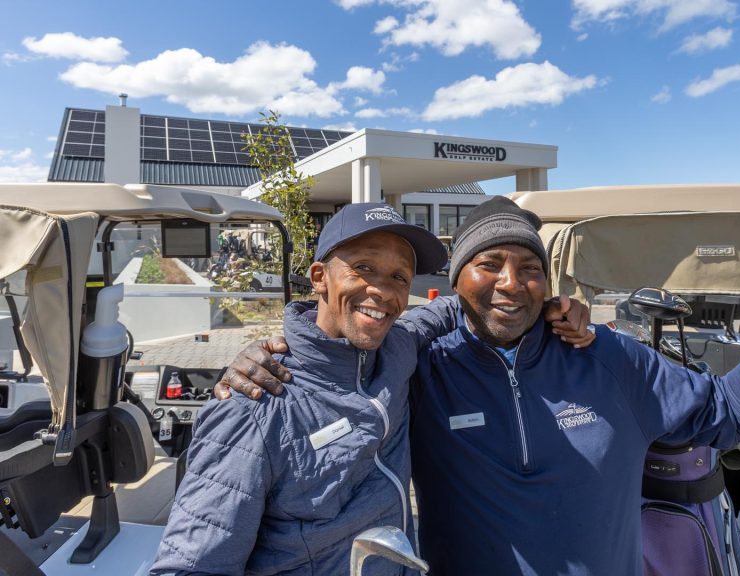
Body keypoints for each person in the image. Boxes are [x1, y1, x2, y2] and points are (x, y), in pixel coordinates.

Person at [220, 197, 740, 575]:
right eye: (488, 264)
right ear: (456, 278)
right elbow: (344, 346)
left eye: (529, 268)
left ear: (548, 284)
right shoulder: (421, 358)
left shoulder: (608, 356)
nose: (509, 281)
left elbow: (733, 414)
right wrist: (260, 357)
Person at [150, 202, 592, 576]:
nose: (382, 291)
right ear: (320, 276)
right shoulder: (256, 402)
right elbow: (188, 565)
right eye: (363, 268)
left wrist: (550, 305)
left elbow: (467, 304)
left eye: (400, 277)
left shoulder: (398, 346)